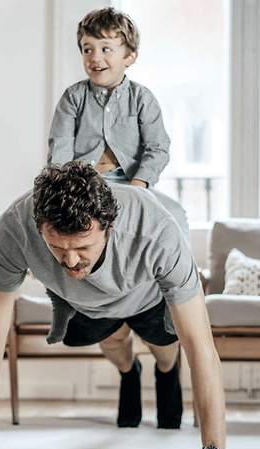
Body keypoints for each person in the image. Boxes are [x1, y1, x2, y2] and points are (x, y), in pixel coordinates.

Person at [0, 162, 227, 449]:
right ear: (38, 225)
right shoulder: (14, 227)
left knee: (166, 351)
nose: (70, 261)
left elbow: (200, 346)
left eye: (82, 247)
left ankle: (165, 369)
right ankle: (129, 370)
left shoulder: (157, 232)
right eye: (57, 247)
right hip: (85, 303)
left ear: (109, 227)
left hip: (148, 296)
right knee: (113, 342)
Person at [47, 6, 188, 427]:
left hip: (135, 188)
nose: (95, 57)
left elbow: (157, 148)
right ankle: (127, 368)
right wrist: (69, 186)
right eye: (88, 49)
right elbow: (59, 149)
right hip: (84, 190)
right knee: (63, 240)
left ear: (129, 55)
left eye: (107, 48)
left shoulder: (143, 99)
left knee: (175, 218)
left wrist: (141, 187)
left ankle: (168, 359)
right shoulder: (73, 97)